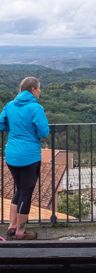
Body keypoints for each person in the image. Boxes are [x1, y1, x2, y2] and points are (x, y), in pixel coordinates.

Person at [0, 77, 49, 240]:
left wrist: (14, 128)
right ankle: (21, 231)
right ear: (33, 89)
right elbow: (43, 132)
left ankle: (12, 226)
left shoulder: (9, 105)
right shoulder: (36, 108)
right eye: (39, 88)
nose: (40, 91)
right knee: (26, 192)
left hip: (12, 154)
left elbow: (2, 124)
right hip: (29, 156)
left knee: (20, 189)